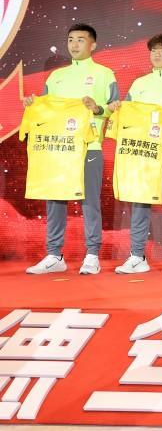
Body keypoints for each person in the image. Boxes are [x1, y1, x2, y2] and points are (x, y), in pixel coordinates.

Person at [24, 24, 118, 275]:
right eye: (70, 40)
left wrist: (97, 108)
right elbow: (45, 108)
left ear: (93, 45)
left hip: (89, 146)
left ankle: (92, 255)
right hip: (60, 148)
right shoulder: (56, 76)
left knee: (89, 201)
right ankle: (54, 255)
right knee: (54, 198)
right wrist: (32, 104)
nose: (74, 45)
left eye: (80, 40)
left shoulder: (105, 74)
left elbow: (115, 107)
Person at [108, 34, 162, 275]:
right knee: (140, 203)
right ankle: (137, 256)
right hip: (144, 154)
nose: (157, 54)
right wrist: (117, 107)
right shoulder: (139, 84)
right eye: (154, 50)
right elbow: (127, 113)